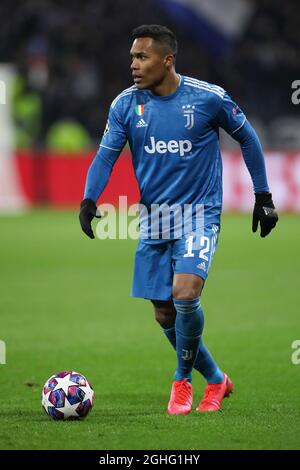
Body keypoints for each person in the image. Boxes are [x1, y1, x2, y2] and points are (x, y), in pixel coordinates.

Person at [79, 25, 278, 415]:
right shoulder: (125, 105)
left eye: (142, 57)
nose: (133, 65)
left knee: (185, 294)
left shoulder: (207, 98)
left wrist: (264, 196)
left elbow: (249, 138)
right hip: (154, 219)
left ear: (167, 60)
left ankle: (182, 381)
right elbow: (106, 156)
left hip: (199, 214)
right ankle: (217, 379)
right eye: (133, 57)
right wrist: (89, 199)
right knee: (164, 312)